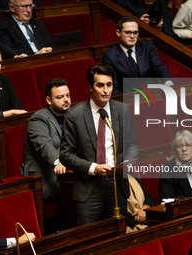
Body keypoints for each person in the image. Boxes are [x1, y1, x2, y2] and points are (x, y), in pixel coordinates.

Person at [59, 65, 139, 226]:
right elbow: (65, 155)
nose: (106, 90)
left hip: (117, 185)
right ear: (90, 87)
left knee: (117, 236)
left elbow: (132, 145)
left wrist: (128, 163)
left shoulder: (122, 110)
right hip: (89, 187)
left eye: (109, 85)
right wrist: (94, 168)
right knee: (90, 240)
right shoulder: (75, 114)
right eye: (100, 85)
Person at [24, 78, 71, 229]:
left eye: (68, 96)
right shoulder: (38, 119)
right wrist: (57, 162)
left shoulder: (72, 116)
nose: (66, 100)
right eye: (60, 97)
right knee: (82, 190)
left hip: (68, 174)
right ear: (48, 100)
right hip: (45, 178)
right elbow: (44, 145)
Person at [103, 16, 173, 95]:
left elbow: (159, 67)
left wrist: (168, 82)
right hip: (129, 100)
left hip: (154, 96)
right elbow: (112, 87)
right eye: (128, 32)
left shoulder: (147, 46)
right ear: (118, 33)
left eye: (135, 32)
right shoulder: (110, 55)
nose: (132, 36)